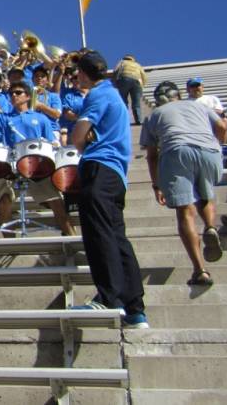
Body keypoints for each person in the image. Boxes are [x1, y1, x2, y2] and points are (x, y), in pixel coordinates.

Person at [70, 51, 148, 329]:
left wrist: (80, 137)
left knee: (98, 233)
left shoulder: (99, 94)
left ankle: (108, 297)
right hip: (116, 174)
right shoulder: (112, 94)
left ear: (83, 73)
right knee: (117, 237)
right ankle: (135, 308)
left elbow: (77, 137)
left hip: (99, 168)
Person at [140, 81, 227, 286]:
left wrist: (156, 185)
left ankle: (200, 270)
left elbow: (152, 156)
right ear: (178, 94)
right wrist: (218, 145)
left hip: (176, 151)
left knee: (185, 211)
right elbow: (222, 126)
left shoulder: (153, 115)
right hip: (209, 150)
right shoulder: (199, 105)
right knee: (205, 194)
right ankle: (210, 227)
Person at [0, 75, 75, 236]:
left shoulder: (41, 118)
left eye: (18, 93)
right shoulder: (4, 118)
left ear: (27, 96)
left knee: (57, 202)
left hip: (38, 166)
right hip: (13, 167)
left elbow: (52, 143)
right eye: (11, 93)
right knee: (3, 200)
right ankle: (9, 243)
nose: (14, 96)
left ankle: (71, 237)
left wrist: (53, 147)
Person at [112, 55, 146, 125]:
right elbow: (144, 76)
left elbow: (115, 71)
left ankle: (124, 120)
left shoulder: (122, 62)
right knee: (136, 103)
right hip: (137, 82)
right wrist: (142, 86)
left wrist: (114, 83)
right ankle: (138, 120)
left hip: (124, 79)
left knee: (123, 101)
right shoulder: (137, 65)